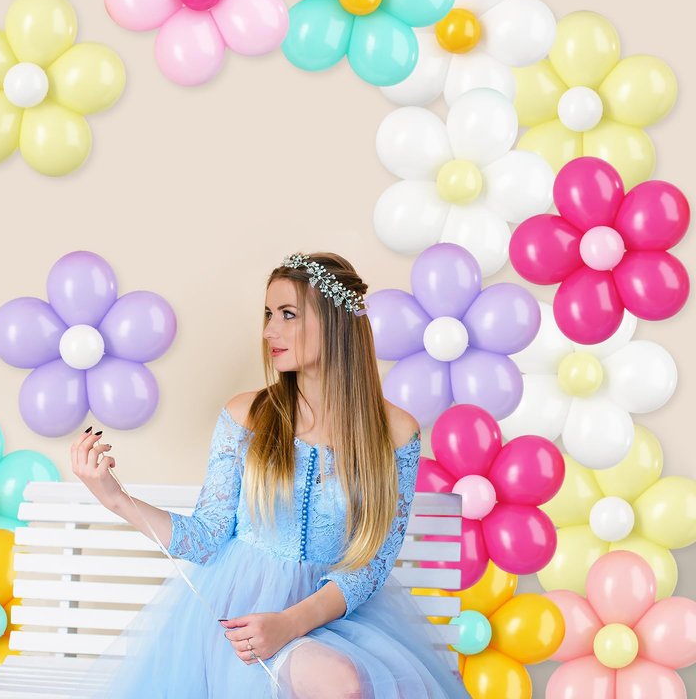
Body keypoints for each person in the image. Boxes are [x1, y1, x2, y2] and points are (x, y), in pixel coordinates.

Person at [71, 253, 470, 698]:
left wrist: (291, 623)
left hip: (334, 617)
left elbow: (371, 565)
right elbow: (207, 537)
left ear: (335, 321)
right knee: (332, 683)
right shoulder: (247, 415)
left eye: (287, 314)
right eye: (267, 314)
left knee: (344, 682)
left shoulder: (395, 433)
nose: (268, 331)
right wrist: (114, 497)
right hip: (244, 618)